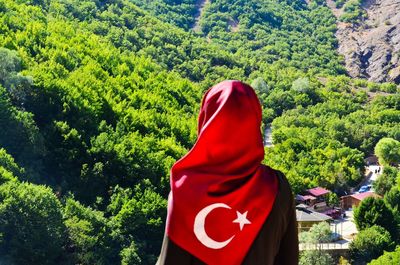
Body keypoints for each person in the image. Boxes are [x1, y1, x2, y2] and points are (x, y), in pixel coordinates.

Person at [157, 80, 299, 265]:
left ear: (207, 122)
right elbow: (289, 260)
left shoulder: (185, 191)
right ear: (254, 122)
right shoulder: (277, 187)